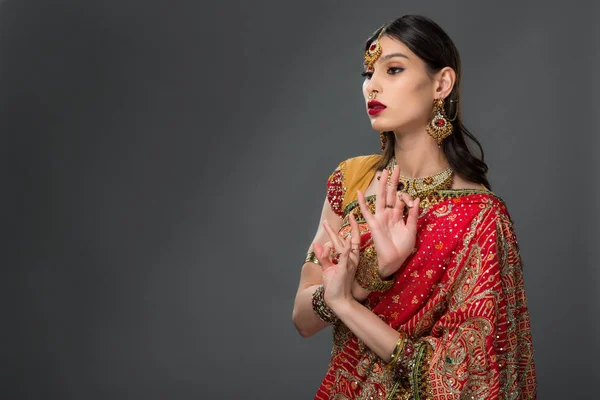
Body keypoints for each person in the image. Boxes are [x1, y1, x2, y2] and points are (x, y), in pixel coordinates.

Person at [291, 15, 537, 400]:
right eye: (368, 73)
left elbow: (466, 375)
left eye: (393, 69)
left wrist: (346, 303)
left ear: (441, 83)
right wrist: (366, 278)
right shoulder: (351, 181)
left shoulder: (480, 216)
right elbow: (303, 320)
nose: (372, 85)